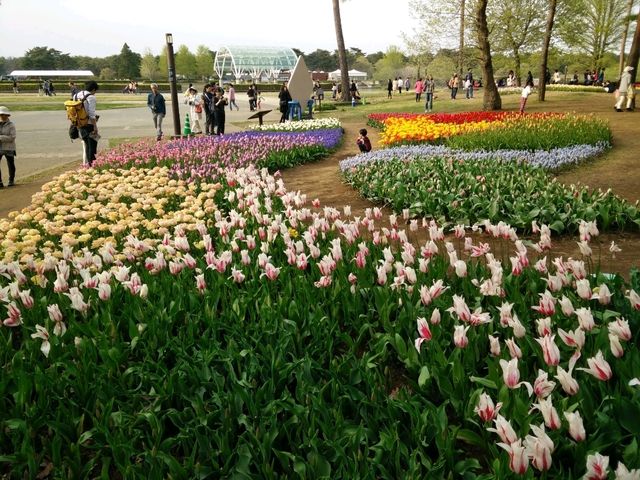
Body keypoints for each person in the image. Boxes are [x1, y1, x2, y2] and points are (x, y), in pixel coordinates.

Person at [75, 81, 100, 167]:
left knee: (87, 144)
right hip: (89, 124)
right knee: (92, 146)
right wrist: (95, 127)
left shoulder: (76, 95)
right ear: (93, 89)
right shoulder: (91, 97)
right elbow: (91, 113)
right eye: (95, 91)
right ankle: (92, 165)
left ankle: (88, 165)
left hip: (80, 123)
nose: (95, 93)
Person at [0, 106, 17, 187]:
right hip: (0, 147)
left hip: (9, 148)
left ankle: (11, 180)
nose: (3, 116)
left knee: (10, 164)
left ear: (7, 115)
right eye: (1, 114)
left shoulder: (11, 125)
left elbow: (12, 137)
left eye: (4, 115)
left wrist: (0, 137)